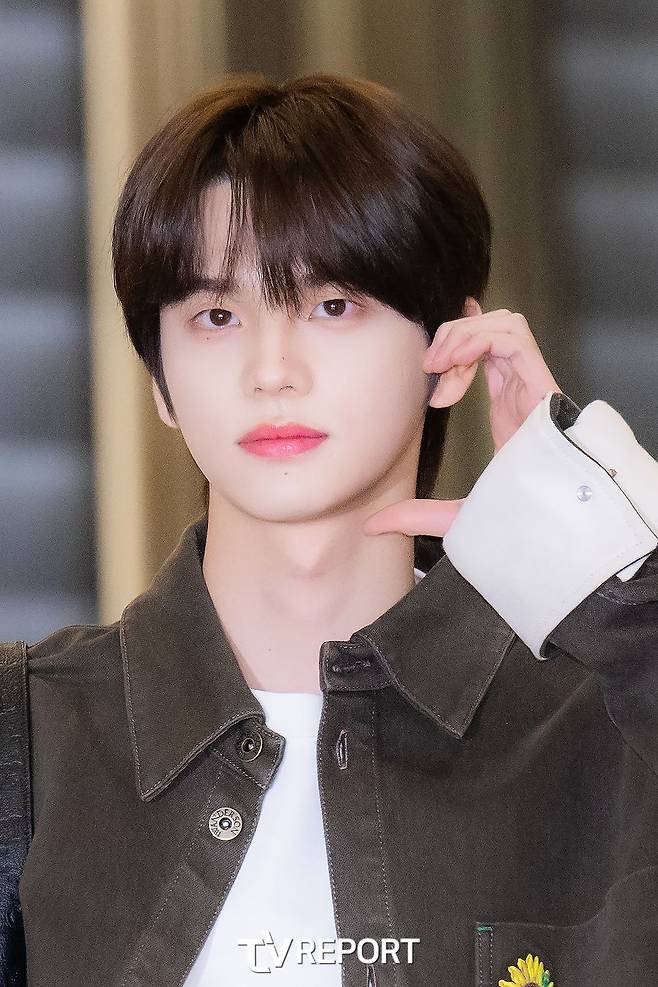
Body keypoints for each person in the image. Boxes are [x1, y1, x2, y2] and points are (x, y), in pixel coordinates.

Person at [6, 73, 658, 987]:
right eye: (217, 316)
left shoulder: (606, 732)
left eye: (332, 306)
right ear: (159, 380)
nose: (273, 369)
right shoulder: (29, 734)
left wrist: (618, 565)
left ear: (452, 354)